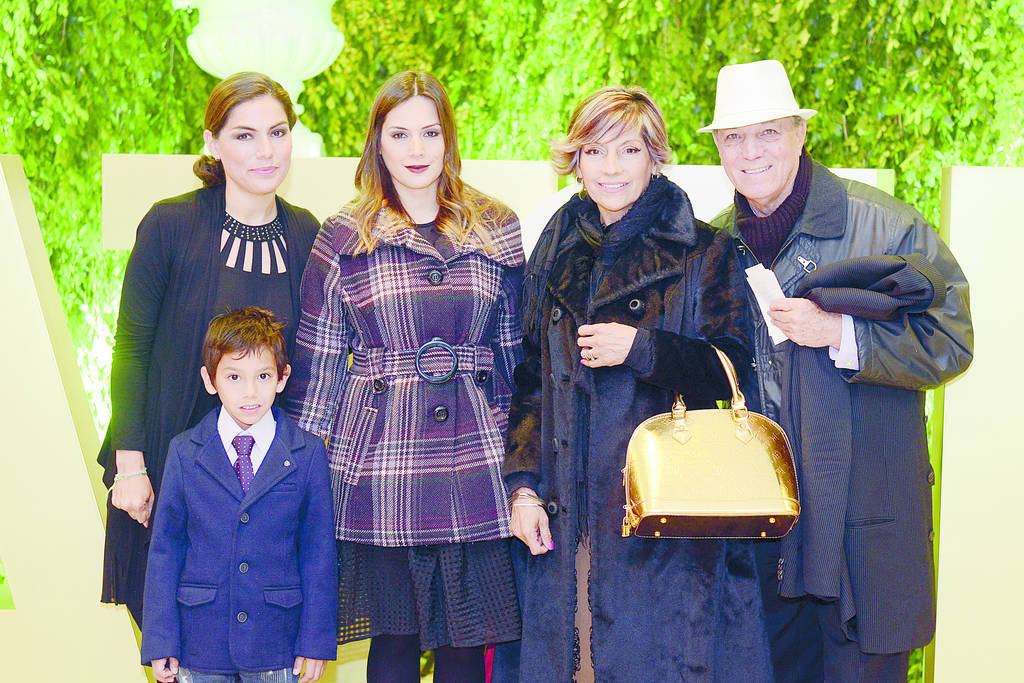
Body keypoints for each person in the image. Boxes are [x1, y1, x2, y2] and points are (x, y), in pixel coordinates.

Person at [699, 59, 973, 682]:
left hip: (866, 526)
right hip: (762, 536)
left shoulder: (887, 226)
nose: (751, 152)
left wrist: (844, 334)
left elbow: (952, 340)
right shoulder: (714, 245)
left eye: (768, 132)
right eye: (734, 137)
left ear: (800, 133)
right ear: (718, 148)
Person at [494, 86, 770, 682]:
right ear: (575, 160)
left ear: (655, 157)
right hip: (566, 519)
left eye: (628, 150)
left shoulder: (704, 250)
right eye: (595, 151)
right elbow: (530, 379)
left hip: (665, 528)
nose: (611, 167)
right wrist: (521, 489)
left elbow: (734, 369)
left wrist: (643, 349)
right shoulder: (556, 248)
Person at [287, 71, 523, 683]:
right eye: (399, 134)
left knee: (467, 644)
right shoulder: (344, 234)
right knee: (392, 644)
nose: (416, 150)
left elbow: (515, 360)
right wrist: (298, 480)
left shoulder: (496, 225)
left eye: (429, 133)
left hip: (477, 457)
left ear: (448, 139)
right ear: (378, 142)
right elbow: (317, 366)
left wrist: (523, 464)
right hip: (378, 457)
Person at [98, 72, 320, 625]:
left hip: (270, 494)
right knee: (177, 648)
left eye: (277, 132)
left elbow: (311, 366)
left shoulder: (306, 233)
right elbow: (130, 350)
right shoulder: (170, 224)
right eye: (244, 135)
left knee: (263, 646)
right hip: (168, 482)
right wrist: (130, 465)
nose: (265, 151)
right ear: (212, 143)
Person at [141, 307, 336, 683]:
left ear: (282, 378)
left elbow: (319, 553)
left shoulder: (308, 453)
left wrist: (316, 641)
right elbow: (166, 550)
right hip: (201, 642)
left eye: (263, 376)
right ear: (210, 380)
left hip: (278, 641)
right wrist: (161, 640)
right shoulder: (183, 451)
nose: (250, 392)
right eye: (234, 376)